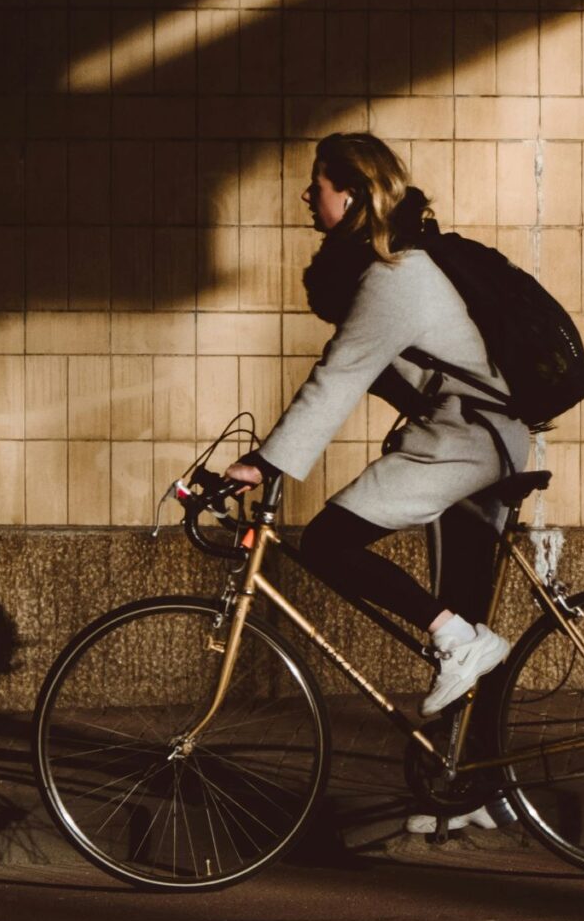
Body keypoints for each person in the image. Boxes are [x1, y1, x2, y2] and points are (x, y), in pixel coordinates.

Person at [224, 132, 528, 718]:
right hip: (477, 438)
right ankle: (472, 794)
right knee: (462, 611)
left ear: (353, 193)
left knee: (329, 542)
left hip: (466, 441)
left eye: (318, 186)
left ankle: (461, 641)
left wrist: (263, 463)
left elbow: (337, 377)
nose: (307, 195)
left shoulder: (396, 277)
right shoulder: (393, 269)